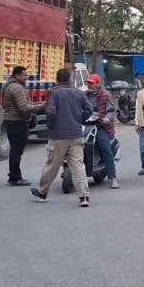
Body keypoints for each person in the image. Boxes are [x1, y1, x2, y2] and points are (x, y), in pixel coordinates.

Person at [30, 68, 94, 206]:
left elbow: (51, 111)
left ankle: (42, 193)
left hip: (58, 135)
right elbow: (89, 109)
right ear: (69, 79)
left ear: (57, 79)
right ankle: (84, 197)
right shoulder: (79, 92)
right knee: (78, 165)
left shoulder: (53, 92)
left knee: (52, 165)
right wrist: (80, 120)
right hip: (76, 133)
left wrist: (51, 125)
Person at [3, 66, 43, 186]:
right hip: (16, 122)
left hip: (13, 121)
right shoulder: (16, 88)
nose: (26, 78)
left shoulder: (11, 85)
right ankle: (15, 177)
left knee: (15, 150)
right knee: (16, 151)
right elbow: (24, 108)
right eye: (25, 75)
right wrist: (42, 106)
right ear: (18, 75)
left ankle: (14, 176)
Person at [85, 74, 121, 189]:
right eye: (88, 83)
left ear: (97, 84)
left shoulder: (106, 94)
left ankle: (113, 178)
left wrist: (107, 118)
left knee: (106, 149)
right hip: (85, 125)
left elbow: (111, 110)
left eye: (91, 83)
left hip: (100, 126)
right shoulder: (84, 95)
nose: (89, 85)